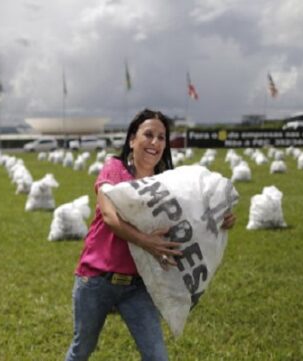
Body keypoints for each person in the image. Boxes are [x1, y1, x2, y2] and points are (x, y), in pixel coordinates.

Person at [65, 108, 236, 361]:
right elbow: (111, 217)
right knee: (82, 349)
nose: (155, 142)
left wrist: (219, 218)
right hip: (96, 281)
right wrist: (148, 242)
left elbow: (189, 219)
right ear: (132, 139)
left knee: (157, 356)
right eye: (148, 134)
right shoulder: (114, 169)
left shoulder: (166, 184)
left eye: (161, 137)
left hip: (137, 286)